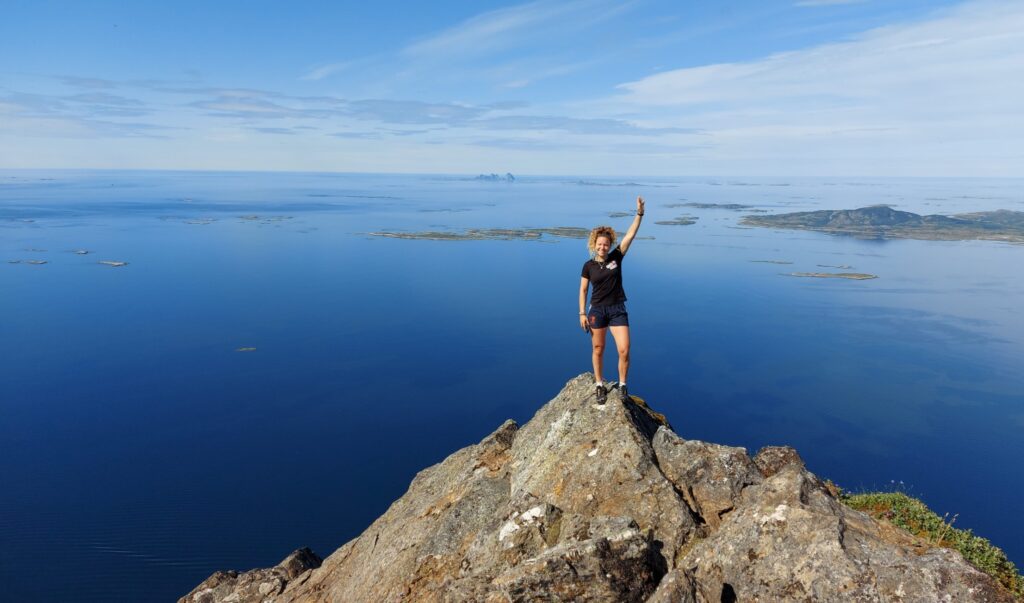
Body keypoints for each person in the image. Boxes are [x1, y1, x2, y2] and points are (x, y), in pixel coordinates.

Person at [579, 196, 645, 404]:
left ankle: (623, 385)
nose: (603, 247)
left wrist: (640, 214)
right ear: (594, 244)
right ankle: (599, 384)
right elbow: (583, 290)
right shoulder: (588, 266)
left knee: (624, 349)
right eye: (599, 244)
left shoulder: (617, 257)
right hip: (597, 311)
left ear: (609, 245)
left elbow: (631, 235)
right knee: (598, 349)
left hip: (617, 309)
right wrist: (582, 313)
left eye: (606, 244)